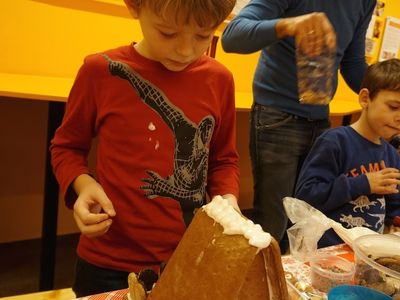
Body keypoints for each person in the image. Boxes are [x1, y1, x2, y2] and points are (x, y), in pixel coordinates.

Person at [50, 0, 239, 296]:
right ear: (134, 6)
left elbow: (224, 160)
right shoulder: (99, 71)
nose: (186, 50)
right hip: (109, 262)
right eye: (167, 33)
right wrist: (82, 184)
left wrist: (228, 199)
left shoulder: (220, 79)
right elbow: (66, 146)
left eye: (203, 36)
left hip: (188, 257)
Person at [221, 0, 376, 253]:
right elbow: (233, 36)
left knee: (305, 224)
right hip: (276, 117)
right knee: (272, 226)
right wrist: (289, 25)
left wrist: (385, 94)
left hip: (320, 122)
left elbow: (353, 63)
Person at [295, 58, 400, 247]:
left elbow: (395, 206)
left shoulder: (392, 155)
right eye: (394, 107)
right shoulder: (335, 142)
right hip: (328, 251)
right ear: (365, 99)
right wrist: (364, 183)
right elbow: (306, 197)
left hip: (367, 254)